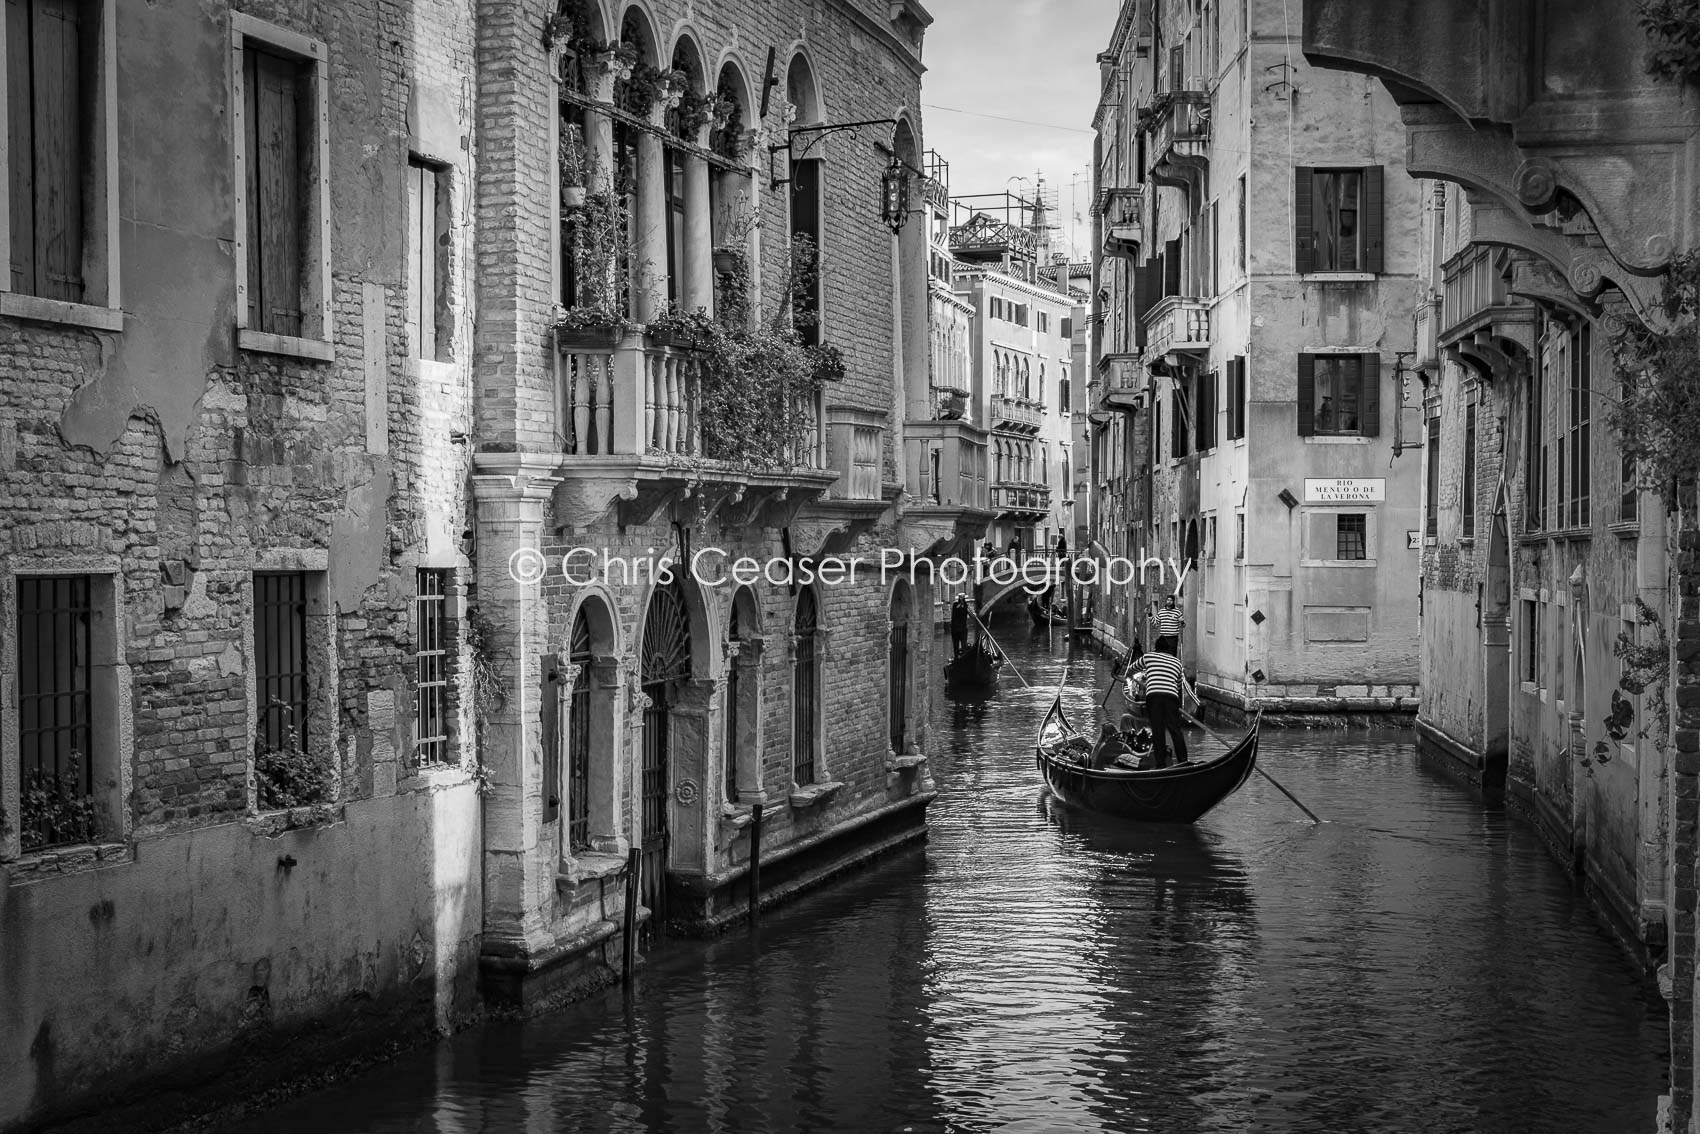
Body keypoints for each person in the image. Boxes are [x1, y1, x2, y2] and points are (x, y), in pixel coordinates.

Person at [1139, 638, 1198, 769]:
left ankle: (1161, 765)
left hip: (1153, 696)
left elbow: (1132, 669)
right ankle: (1183, 762)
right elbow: (1178, 684)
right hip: (1171, 697)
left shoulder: (1148, 656)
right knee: (1175, 730)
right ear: (1168, 650)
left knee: (1158, 730)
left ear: (1156, 648)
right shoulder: (1177, 662)